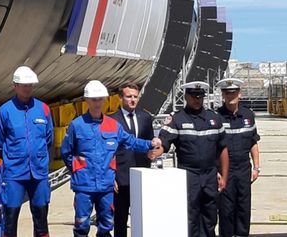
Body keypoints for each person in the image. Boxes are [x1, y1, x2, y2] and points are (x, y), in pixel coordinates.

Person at [61, 80, 160, 237]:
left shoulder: (112, 125)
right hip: (84, 187)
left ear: (105, 100)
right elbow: (66, 152)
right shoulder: (77, 125)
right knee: (81, 225)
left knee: (106, 226)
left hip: (106, 186)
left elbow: (131, 142)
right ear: (87, 100)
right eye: (94, 99)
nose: (97, 103)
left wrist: (150, 143)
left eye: (100, 99)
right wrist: (77, 171)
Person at [157, 81, 229, 237]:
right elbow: (164, 143)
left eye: (200, 96)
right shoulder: (177, 119)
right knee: (190, 217)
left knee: (210, 217)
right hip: (188, 176)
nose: (197, 99)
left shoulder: (215, 119)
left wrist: (224, 176)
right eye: (193, 96)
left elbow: (222, 148)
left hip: (210, 175)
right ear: (186, 96)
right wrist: (156, 150)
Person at [0, 66, 52, 237]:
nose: (27, 88)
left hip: (38, 173)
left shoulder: (43, 109)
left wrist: (36, 156)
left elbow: (49, 139)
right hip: (14, 174)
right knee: (10, 219)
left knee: (41, 218)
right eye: (24, 85)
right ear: (15, 86)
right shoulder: (5, 111)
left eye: (30, 85)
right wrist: (13, 157)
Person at [215, 78, 260, 237]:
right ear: (223, 95)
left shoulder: (248, 115)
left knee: (243, 208)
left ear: (239, 94)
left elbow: (253, 143)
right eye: (227, 93)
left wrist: (256, 167)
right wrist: (216, 171)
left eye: (233, 92)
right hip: (225, 171)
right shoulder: (217, 117)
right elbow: (213, 147)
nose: (230, 96)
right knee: (226, 210)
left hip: (243, 170)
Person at [108, 82, 153, 237]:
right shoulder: (112, 120)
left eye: (135, 96)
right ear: (121, 98)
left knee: (142, 217)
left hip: (142, 176)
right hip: (121, 178)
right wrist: (111, 175)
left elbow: (149, 144)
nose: (133, 100)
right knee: (120, 220)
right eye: (129, 96)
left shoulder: (146, 118)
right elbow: (109, 152)